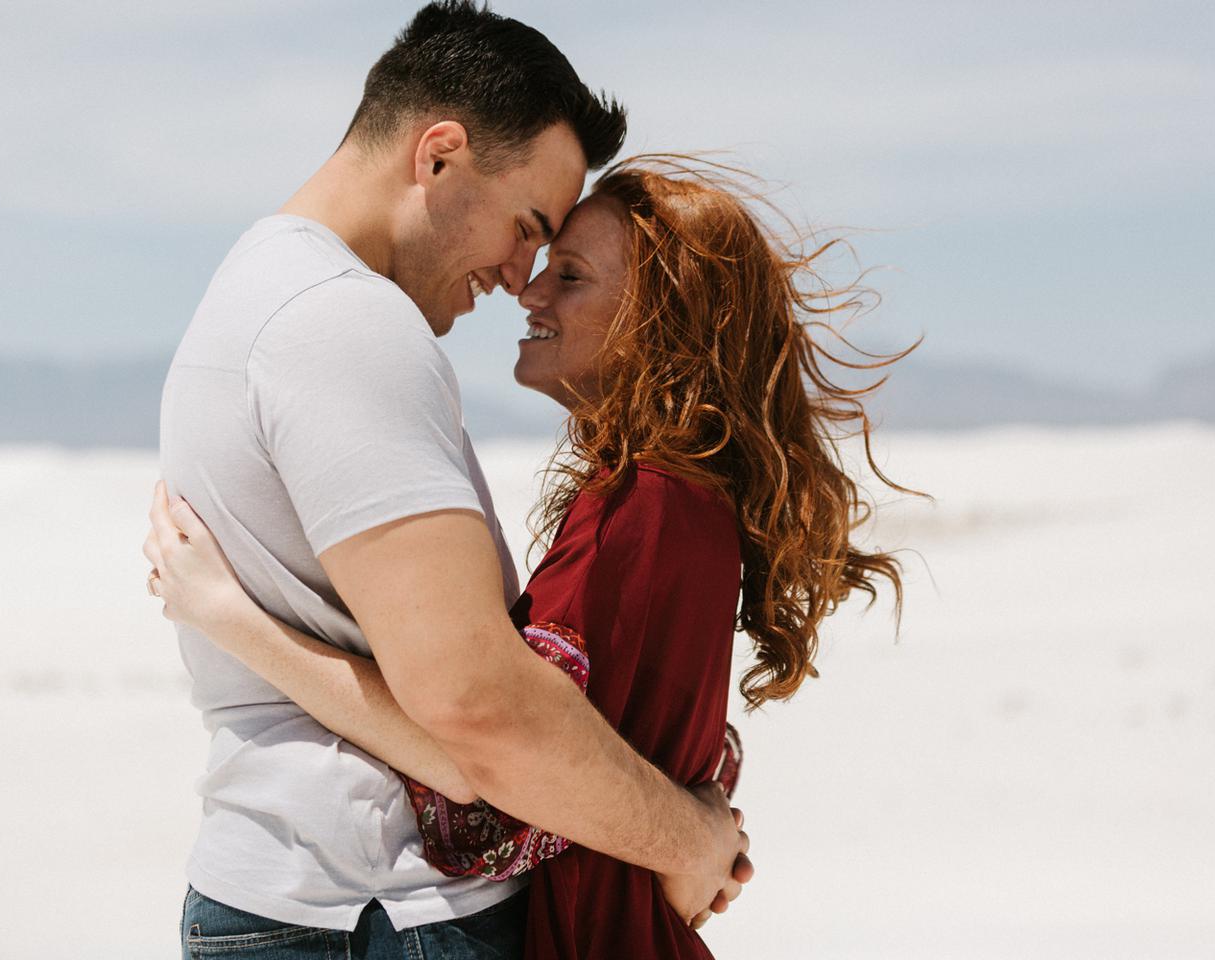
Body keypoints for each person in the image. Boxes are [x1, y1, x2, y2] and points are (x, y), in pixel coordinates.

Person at [146, 156, 910, 958]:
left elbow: (489, 793)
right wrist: (694, 833)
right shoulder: (682, 499)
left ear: (661, 320)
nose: (530, 291)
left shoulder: (642, 508)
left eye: (570, 276)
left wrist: (236, 623)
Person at [147, 3, 751, 958]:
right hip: (383, 910)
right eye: (526, 227)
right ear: (438, 157)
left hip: (296, 897)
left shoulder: (255, 287)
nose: (519, 277)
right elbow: (479, 714)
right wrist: (692, 840)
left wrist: (234, 622)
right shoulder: (348, 325)